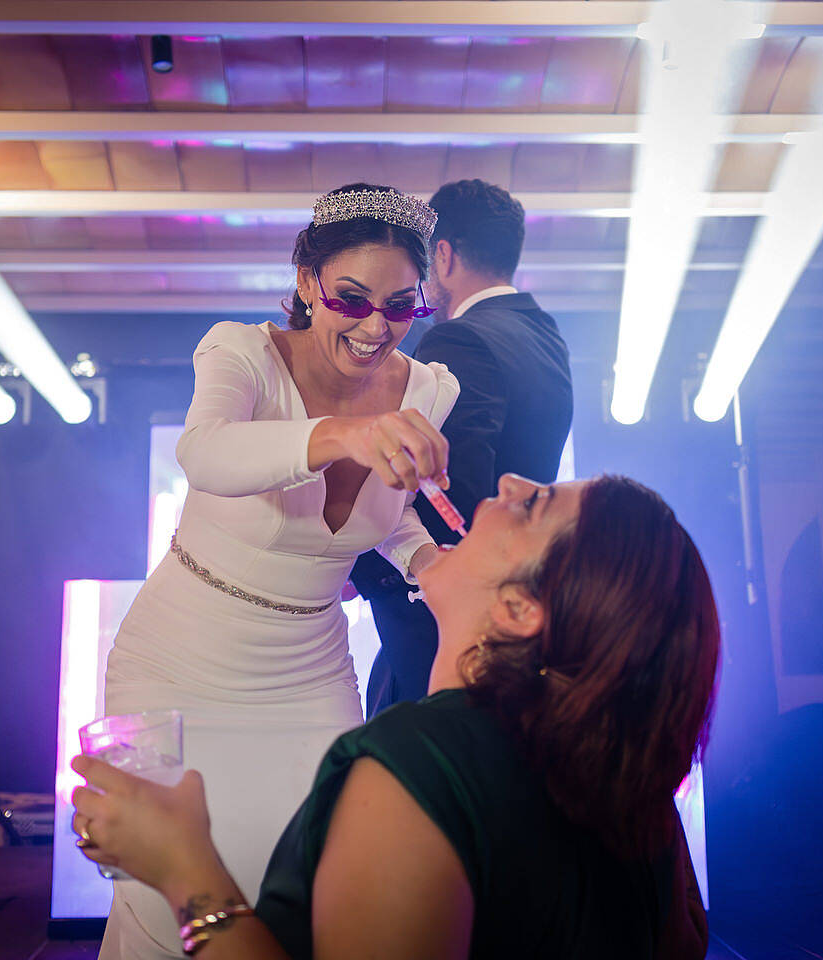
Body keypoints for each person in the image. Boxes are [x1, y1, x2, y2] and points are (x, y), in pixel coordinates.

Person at [73, 474, 716, 959]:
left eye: (531, 507)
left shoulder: (423, 761)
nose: (507, 483)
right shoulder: (633, 805)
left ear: (521, 609)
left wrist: (183, 867)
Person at [97, 183, 460, 958]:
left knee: (311, 892)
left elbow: (389, 515)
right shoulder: (243, 353)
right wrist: (345, 434)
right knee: (164, 899)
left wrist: (429, 560)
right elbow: (205, 453)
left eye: (401, 307)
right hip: (176, 665)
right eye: (351, 299)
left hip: (310, 676)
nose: (375, 327)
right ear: (306, 281)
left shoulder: (430, 391)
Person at [352, 178, 573, 718]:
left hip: (441, 633)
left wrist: (353, 560)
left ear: (444, 256)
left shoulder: (460, 339)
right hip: (510, 609)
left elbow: (448, 488)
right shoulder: (545, 336)